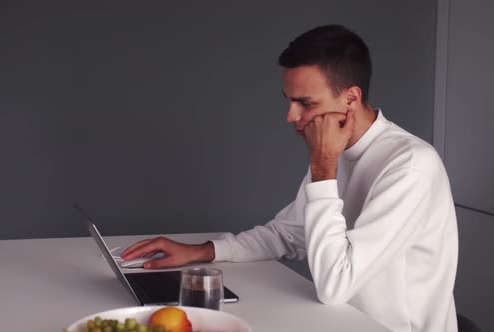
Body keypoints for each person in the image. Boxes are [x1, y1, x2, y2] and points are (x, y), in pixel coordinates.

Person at [121, 25, 458, 332]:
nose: (291, 116)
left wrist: (324, 168)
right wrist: (203, 251)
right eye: (290, 101)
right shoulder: (335, 149)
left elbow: (336, 285)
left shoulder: (410, 166)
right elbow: (288, 234)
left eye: (305, 103)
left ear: (350, 99)